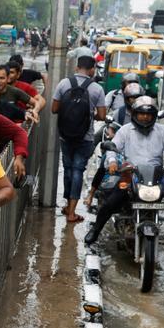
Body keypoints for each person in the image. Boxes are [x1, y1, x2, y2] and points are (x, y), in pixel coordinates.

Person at [84, 97, 164, 247]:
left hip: (157, 175)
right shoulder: (125, 130)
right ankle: (96, 230)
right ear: (135, 114)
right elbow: (112, 148)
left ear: (154, 115)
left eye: (148, 114)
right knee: (111, 201)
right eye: (141, 113)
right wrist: (113, 162)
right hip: (131, 174)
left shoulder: (163, 131)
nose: (145, 117)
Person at [52, 54, 107, 223]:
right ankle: (71, 213)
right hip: (86, 137)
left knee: (68, 169)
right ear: (92, 70)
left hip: (65, 135)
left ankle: (68, 206)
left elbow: (54, 109)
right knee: (78, 170)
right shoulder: (97, 89)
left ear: (77, 67)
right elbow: (103, 116)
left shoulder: (63, 83)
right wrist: (90, 115)